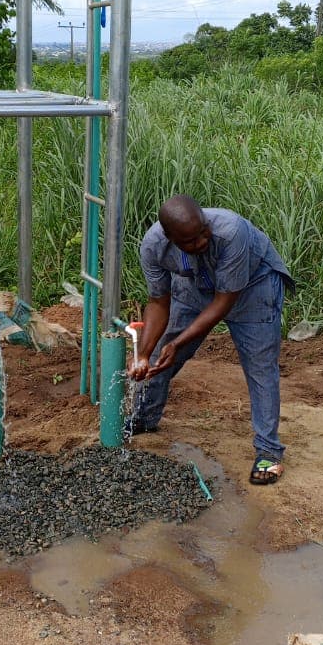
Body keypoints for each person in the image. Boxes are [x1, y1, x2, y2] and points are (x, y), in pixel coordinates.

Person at [128, 195, 293, 485]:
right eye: (190, 241)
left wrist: (177, 344)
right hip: (194, 286)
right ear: (170, 238)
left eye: (204, 231)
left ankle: (268, 450)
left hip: (254, 288)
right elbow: (157, 302)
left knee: (260, 368)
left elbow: (223, 302)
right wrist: (143, 352)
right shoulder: (154, 246)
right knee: (157, 359)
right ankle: (144, 417)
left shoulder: (230, 231)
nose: (202, 241)